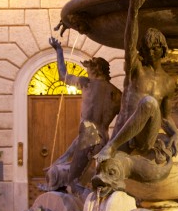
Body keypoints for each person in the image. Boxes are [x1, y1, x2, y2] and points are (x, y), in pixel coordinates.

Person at [95, 0, 178, 164]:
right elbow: (129, 43)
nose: (151, 52)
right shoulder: (136, 70)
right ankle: (113, 145)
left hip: (145, 140)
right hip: (124, 133)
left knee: (149, 104)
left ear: (163, 49)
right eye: (147, 48)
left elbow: (165, 118)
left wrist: (176, 134)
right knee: (148, 103)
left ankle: (111, 147)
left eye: (156, 47)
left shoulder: (168, 83)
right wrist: (133, 10)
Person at [43, 37, 122, 191]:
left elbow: (62, 75)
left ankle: (79, 205)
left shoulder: (86, 83)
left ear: (94, 70)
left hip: (88, 134)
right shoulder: (117, 94)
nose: (87, 72)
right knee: (88, 174)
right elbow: (123, 120)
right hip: (104, 138)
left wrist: (59, 51)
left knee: (74, 181)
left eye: (88, 69)